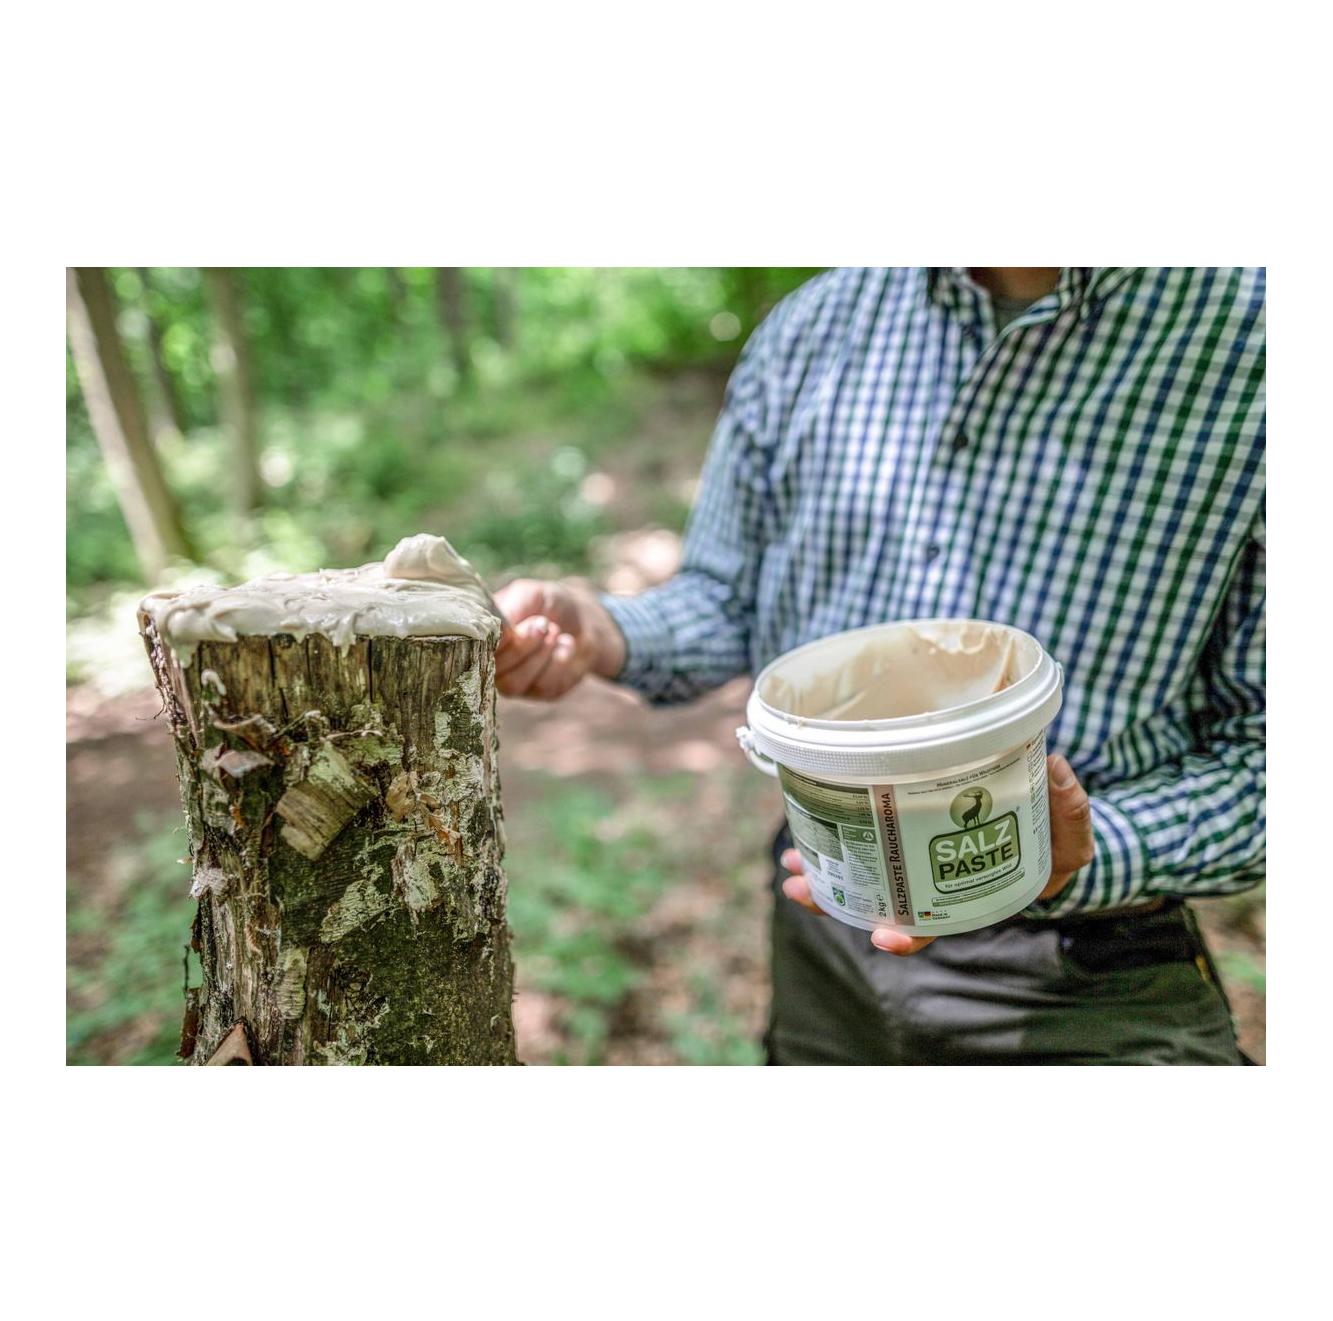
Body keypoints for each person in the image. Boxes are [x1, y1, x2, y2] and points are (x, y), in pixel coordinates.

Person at [494, 267, 1265, 1066]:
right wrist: (601, 630)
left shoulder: (1256, 340)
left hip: (1085, 973)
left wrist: (1082, 845)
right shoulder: (811, 329)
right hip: (832, 912)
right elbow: (728, 597)